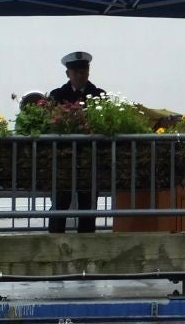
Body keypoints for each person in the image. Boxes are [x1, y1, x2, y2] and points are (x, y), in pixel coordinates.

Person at [48, 51, 106, 233]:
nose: (81, 75)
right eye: (76, 72)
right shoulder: (57, 95)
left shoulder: (98, 95)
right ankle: (54, 245)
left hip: (89, 159)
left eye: (84, 71)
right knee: (59, 205)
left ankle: (87, 248)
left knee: (88, 207)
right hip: (63, 160)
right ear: (68, 74)